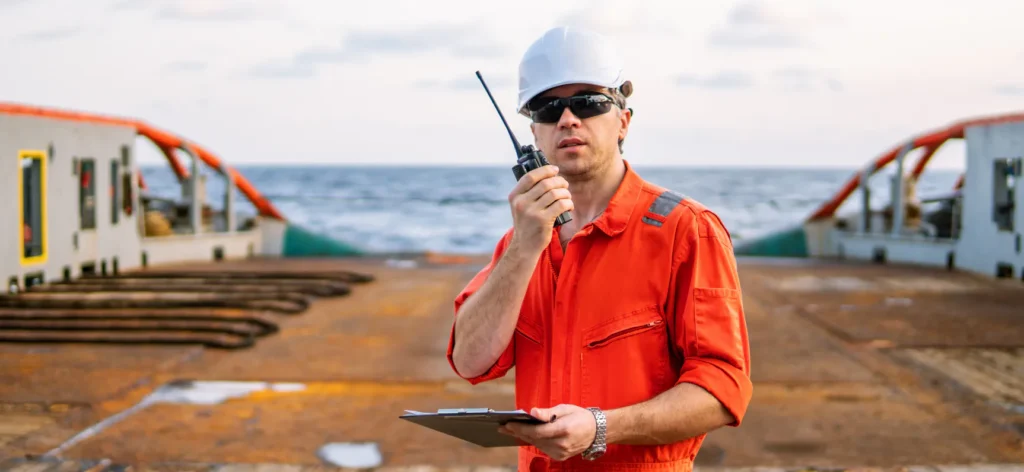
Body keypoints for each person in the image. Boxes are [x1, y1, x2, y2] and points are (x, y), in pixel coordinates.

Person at [446, 26, 752, 471]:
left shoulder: (686, 230)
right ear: (535, 134)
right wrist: (525, 247)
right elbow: (469, 360)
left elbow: (723, 388)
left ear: (623, 120)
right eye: (549, 109)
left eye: (588, 102)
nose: (568, 119)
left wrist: (600, 427)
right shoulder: (522, 243)